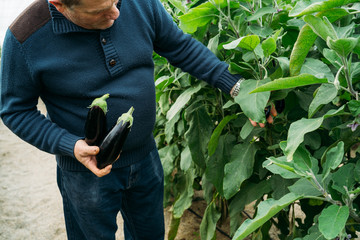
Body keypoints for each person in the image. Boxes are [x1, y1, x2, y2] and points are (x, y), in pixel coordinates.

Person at [0, 0, 275, 239]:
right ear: (59, 5)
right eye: (100, 11)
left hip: (145, 159)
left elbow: (180, 47)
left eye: (116, 3)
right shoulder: (25, 38)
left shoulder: (136, 2)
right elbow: (16, 110)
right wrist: (68, 144)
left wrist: (237, 88)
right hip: (84, 174)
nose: (116, 14)